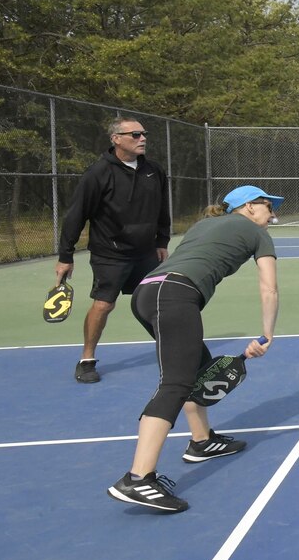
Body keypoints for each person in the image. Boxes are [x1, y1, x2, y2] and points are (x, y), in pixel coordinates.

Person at [106, 185, 281, 513]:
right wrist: (267, 334)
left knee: (197, 368)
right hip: (175, 296)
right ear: (248, 207)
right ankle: (138, 478)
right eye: (268, 207)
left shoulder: (203, 225)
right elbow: (268, 287)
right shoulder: (256, 233)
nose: (272, 214)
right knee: (175, 384)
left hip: (147, 293)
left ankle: (201, 441)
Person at [56, 117, 172, 384]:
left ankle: (170, 351)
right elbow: (76, 215)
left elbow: (161, 208)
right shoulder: (97, 174)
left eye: (144, 133)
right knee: (104, 304)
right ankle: (87, 360)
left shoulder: (154, 171)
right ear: (116, 139)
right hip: (110, 254)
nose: (142, 138)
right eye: (134, 134)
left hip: (146, 253)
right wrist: (66, 255)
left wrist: (161, 241)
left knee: (158, 301)